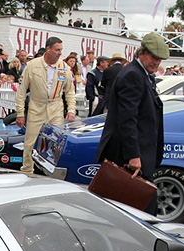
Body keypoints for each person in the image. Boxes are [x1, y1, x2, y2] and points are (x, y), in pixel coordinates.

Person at [93, 33, 170, 215]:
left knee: (136, 209)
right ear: (141, 53)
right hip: (129, 156)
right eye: (153, 57)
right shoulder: (133, 75)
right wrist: (133, 156)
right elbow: (127, 119)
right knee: (135, 211)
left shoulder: (143, 74)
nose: (156, 62)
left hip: (138, 153)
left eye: (159, 59)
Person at [15, 36, 76, 174]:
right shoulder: (32, 65)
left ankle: (53, 174)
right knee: (30, 142)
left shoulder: (64, 67)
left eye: (61, 49)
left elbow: (70, 92)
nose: (60, 53)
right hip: (37, 106)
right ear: (48, 49)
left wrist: (71, 110)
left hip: (56, 107)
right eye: (57, 50)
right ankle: (27, 172)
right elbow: (22, 91)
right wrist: (20, 113)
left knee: (56, 144)